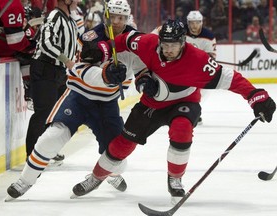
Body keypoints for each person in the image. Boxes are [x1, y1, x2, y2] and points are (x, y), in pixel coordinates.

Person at [69, 20, 276, 203]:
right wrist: (103, 49)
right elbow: (124, 39)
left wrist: (256, 97)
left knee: (182, 129)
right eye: (165, 44)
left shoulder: (198, 60)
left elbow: (232, 79)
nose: (168, 49)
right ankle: (96, 178)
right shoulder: (148, 43)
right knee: (123, 143)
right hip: (152, 103)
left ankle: (175, 179)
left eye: (173, 45)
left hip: (185, 101)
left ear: (183, 43)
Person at [5, 0, 147, 200]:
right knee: (51, 138)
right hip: (79, 97)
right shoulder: (91, 37)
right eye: (113, 16)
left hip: (107, 105)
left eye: (121, 17)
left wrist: (145, 83)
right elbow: (77, 69)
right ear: (106, 16)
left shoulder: (134, 41)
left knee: (118, 157)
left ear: (128, 18)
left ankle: (107, 173)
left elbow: (141, 70)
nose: (116, 21)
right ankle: (25, 181)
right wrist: (105, 77)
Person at [25, 0, 80, 164]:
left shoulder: (70, 20)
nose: (78, 1)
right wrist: (66, 60)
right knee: (43, 113)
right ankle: (31, 156)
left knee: (55, 115)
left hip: (59, 72)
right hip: (45, 69)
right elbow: (46, 43)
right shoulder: (55, 16)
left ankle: (45, 150)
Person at [186, 10, 217, 124]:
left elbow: (211, 57)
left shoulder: (208, 36)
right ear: (188, 23)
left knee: (200, 91)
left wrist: (199, 59)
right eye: (192, 23)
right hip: (183, 67)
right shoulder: (181, 32)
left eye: (197, 22)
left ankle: (194, 112)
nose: (194, 25)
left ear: (201, 22)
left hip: (199, 69)